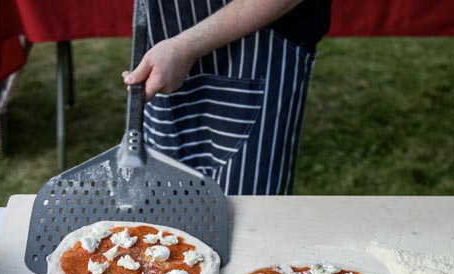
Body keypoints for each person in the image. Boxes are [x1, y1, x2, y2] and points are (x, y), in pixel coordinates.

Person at [122, 0, 332, 195]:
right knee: (163, 211)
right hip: (164, 47)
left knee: (247, 221)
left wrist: (186, 46)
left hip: (259, 50)